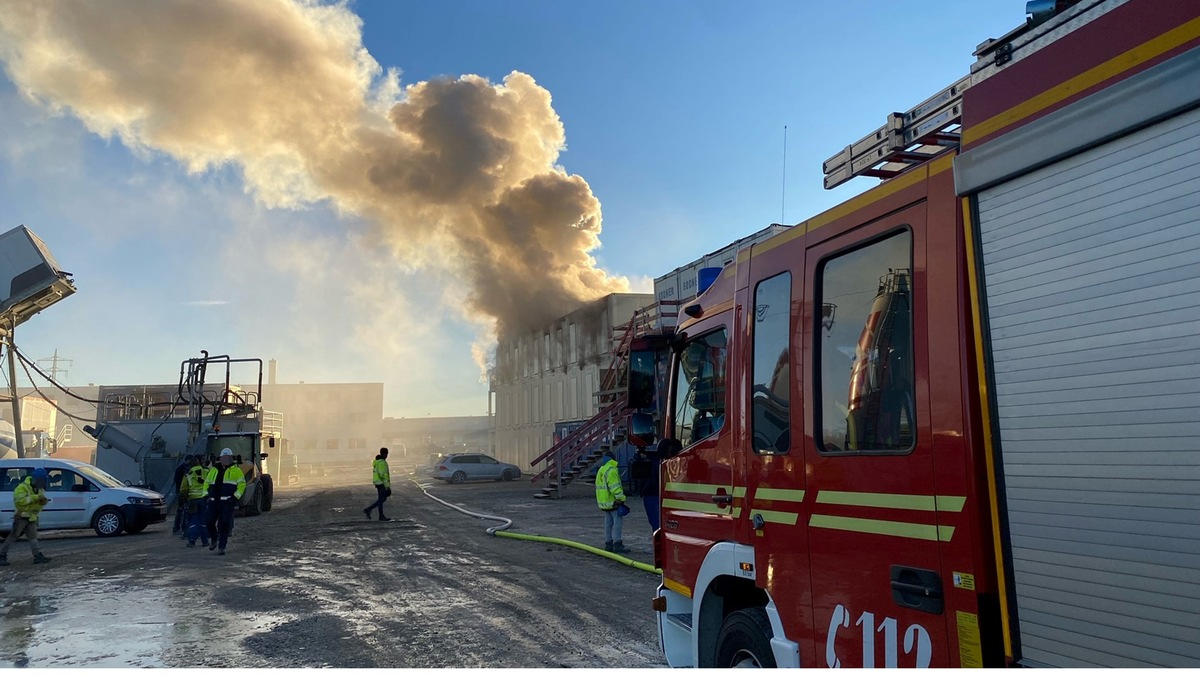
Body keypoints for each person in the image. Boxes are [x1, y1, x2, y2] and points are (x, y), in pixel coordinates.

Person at [0, 468, 52, 566]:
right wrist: (36, 498)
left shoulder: (39, 489)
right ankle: (1, 555)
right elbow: (20, 502)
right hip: (22, 517)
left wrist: (42, 502)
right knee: (13, 536)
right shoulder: (22, 488)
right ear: (37, 480)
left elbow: (38, 503)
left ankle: (37, 556)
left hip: (31, 517)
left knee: (33, 537)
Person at [205, 448, 246, 555]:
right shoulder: (213, 470)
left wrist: (234, 498)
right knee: (209, 521)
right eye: (224, 458)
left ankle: (221, 547)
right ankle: (214, 538)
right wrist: (205, 496)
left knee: (225, 524)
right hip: (214, 502)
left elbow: (242, 485)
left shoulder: (236, 471)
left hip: (227, 503)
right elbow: (207, 483)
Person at [595, 450, 628, 553]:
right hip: (613, 502)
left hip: (604, 502)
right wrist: (621, 498)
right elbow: (615, 487)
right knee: (617, 521)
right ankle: (617, 543)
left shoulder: (602, 469)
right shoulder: (612, 469)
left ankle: (608, 543)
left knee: (608, 523)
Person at [181, 459, 209, 549]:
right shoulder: (206, 472)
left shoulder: (188, 475)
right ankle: (205, 541)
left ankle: (192, 541)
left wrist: (184, 498)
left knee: (193, 521)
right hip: (204, 500)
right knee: (203, 521)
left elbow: (183, 489)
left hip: (193, 501)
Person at [364, 447, 392, 522]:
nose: (387, 456)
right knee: (381, 499)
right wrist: (387, 486)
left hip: (377, 482)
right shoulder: (382, 463)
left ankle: (380, 515)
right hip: (381, 483)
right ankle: (369, 510)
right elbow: (383, 475)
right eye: (386, 454)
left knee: (381, 499)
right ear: (384, 454)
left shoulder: (377, 462)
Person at [171, 454, 192, 536]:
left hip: (181, 491)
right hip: (182, 492)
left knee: (181, 510)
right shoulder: (183, 469)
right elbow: (177, 480)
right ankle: (179, 528)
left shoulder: (181, 468)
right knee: (182, 510)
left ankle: (177, 528)